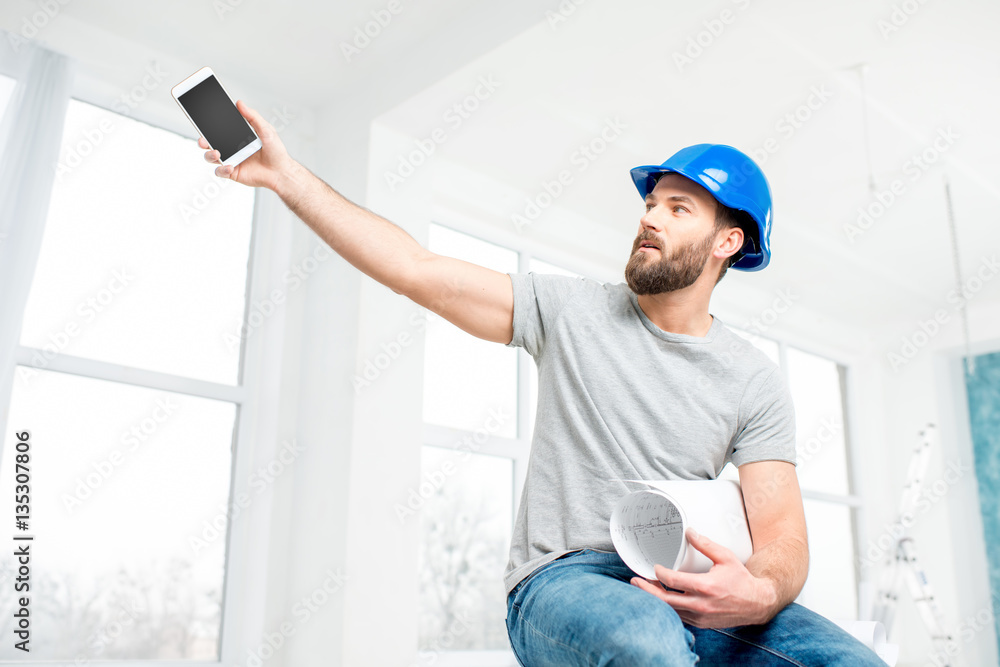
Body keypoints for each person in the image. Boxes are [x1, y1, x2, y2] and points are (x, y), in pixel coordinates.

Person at [198, 101, 885, 665]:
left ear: (726, 243)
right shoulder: (571, 312)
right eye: (652, 203)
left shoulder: (753, 379)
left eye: (679, 209)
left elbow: (784, 539)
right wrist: (286, 178)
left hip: (689, 588)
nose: (649, 216)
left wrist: (759, 590)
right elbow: (416, 269)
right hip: (566, 582)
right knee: (650, 646)